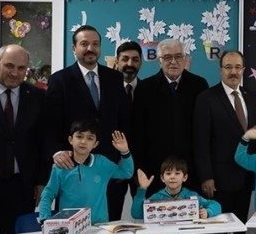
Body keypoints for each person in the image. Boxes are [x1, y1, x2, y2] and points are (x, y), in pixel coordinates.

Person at [44, 25, 130, 221]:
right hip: (73, 169)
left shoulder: (115, 78)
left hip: (109, 167)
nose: (90, 48)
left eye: (95, 44)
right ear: (74, 48)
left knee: (110, 226)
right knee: (72, 228)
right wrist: (56, 152)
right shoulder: (60, 80)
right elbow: (50, 124)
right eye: (84, 44)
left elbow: (124, 121)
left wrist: (122, 156)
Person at [194, 50, 256, 226]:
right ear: (220, 70)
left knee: (240, 228)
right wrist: (206, 177)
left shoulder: (251, 97)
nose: (233, 72)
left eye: (238, 67)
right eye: (228, 67)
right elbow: (201, 142)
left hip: (246, 177)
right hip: (219, 181)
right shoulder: (206, 98)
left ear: (243, 70)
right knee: (219, 230)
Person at [133, 39, 208, 197]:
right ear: (159, 61)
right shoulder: (145, 88)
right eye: (167, 57)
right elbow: (138, 134)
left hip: (191, 171)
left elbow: (204, 131)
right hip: (155, 171)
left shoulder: (199, 85)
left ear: (185, 59)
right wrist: (140, 170)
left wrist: (206, 174)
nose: (173, 62)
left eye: (178, 56)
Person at [0, 45, 46, 234]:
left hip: (21, 187)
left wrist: (41, 180)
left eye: (21, 68)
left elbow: (42, 141)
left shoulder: (37, 96)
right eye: (9, 66)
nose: (15, 73)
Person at [113, 40, 142, 207]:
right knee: (112, 213)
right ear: (117, 61)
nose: (130, 64)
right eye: (125, 59)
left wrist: (140, 166)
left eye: (135, 59)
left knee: (144, 214)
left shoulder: (149, 89)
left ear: (141, 63)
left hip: (142, 167)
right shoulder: (106, 90)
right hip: (114, 164)